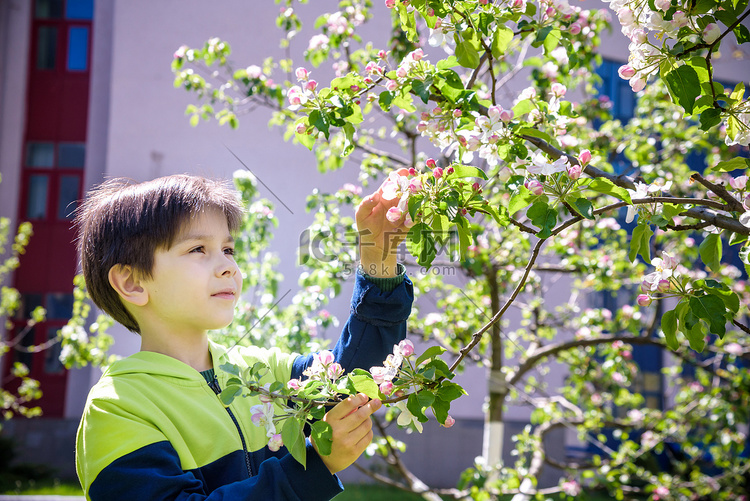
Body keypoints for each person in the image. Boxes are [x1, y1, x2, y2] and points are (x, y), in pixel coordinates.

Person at [74, 172, 413, 500]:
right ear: (132, 283)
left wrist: (379, 256)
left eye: (228, 250)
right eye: (197, 250)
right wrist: (315, 465)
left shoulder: (260, 373)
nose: (228, 267)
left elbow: (358, 377)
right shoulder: (119, 407)